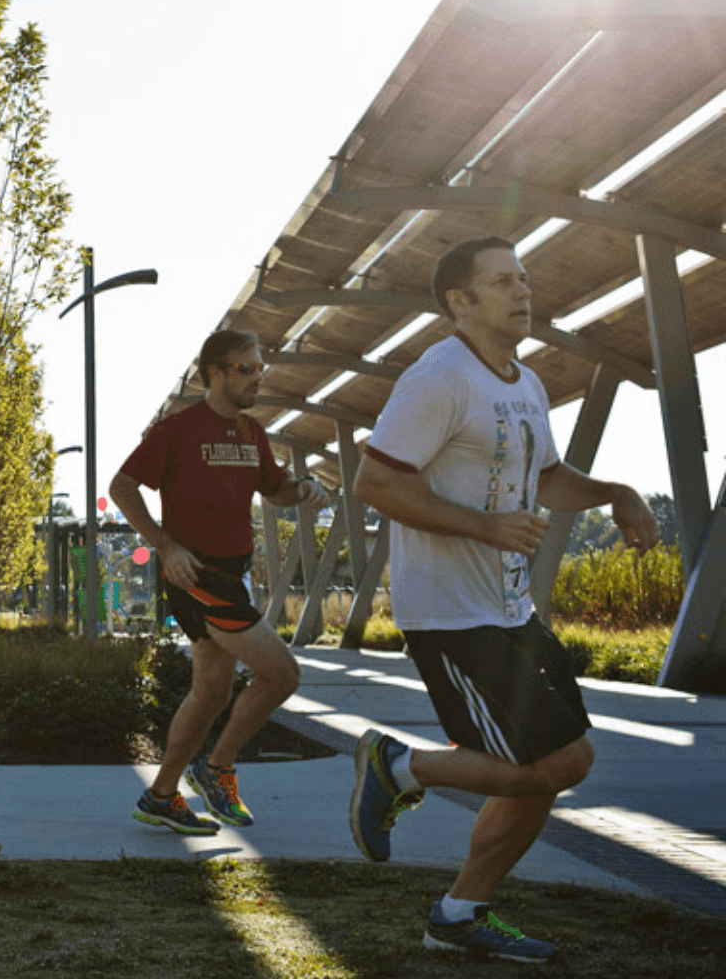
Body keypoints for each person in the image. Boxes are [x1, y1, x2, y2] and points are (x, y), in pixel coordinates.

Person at [350, 236, 658, 963]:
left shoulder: (523, 383)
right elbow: (375, 484)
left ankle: (459, 914)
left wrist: (614, 492)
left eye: (524, 278)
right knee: (554, 763)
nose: (523, 292)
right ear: (461, 302)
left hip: (509, 607)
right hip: (452, 614)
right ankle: (395, 766)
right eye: (502, 282)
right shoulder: (439, 378)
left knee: (553, 765)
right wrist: (484, 526)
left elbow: (545, 477)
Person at [109, 330, 330, 835]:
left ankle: (161, 795)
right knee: (283, 675)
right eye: (245, 369)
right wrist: (166, 546)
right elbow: (121, 487)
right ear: (215, 374)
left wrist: (306, 488)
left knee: (210, 692)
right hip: (199, 575)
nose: (256, 379)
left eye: (259, 370)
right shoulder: (178, 429)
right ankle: (216, 767)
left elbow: (276, 491)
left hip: (233, 573)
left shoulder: (252, 432)